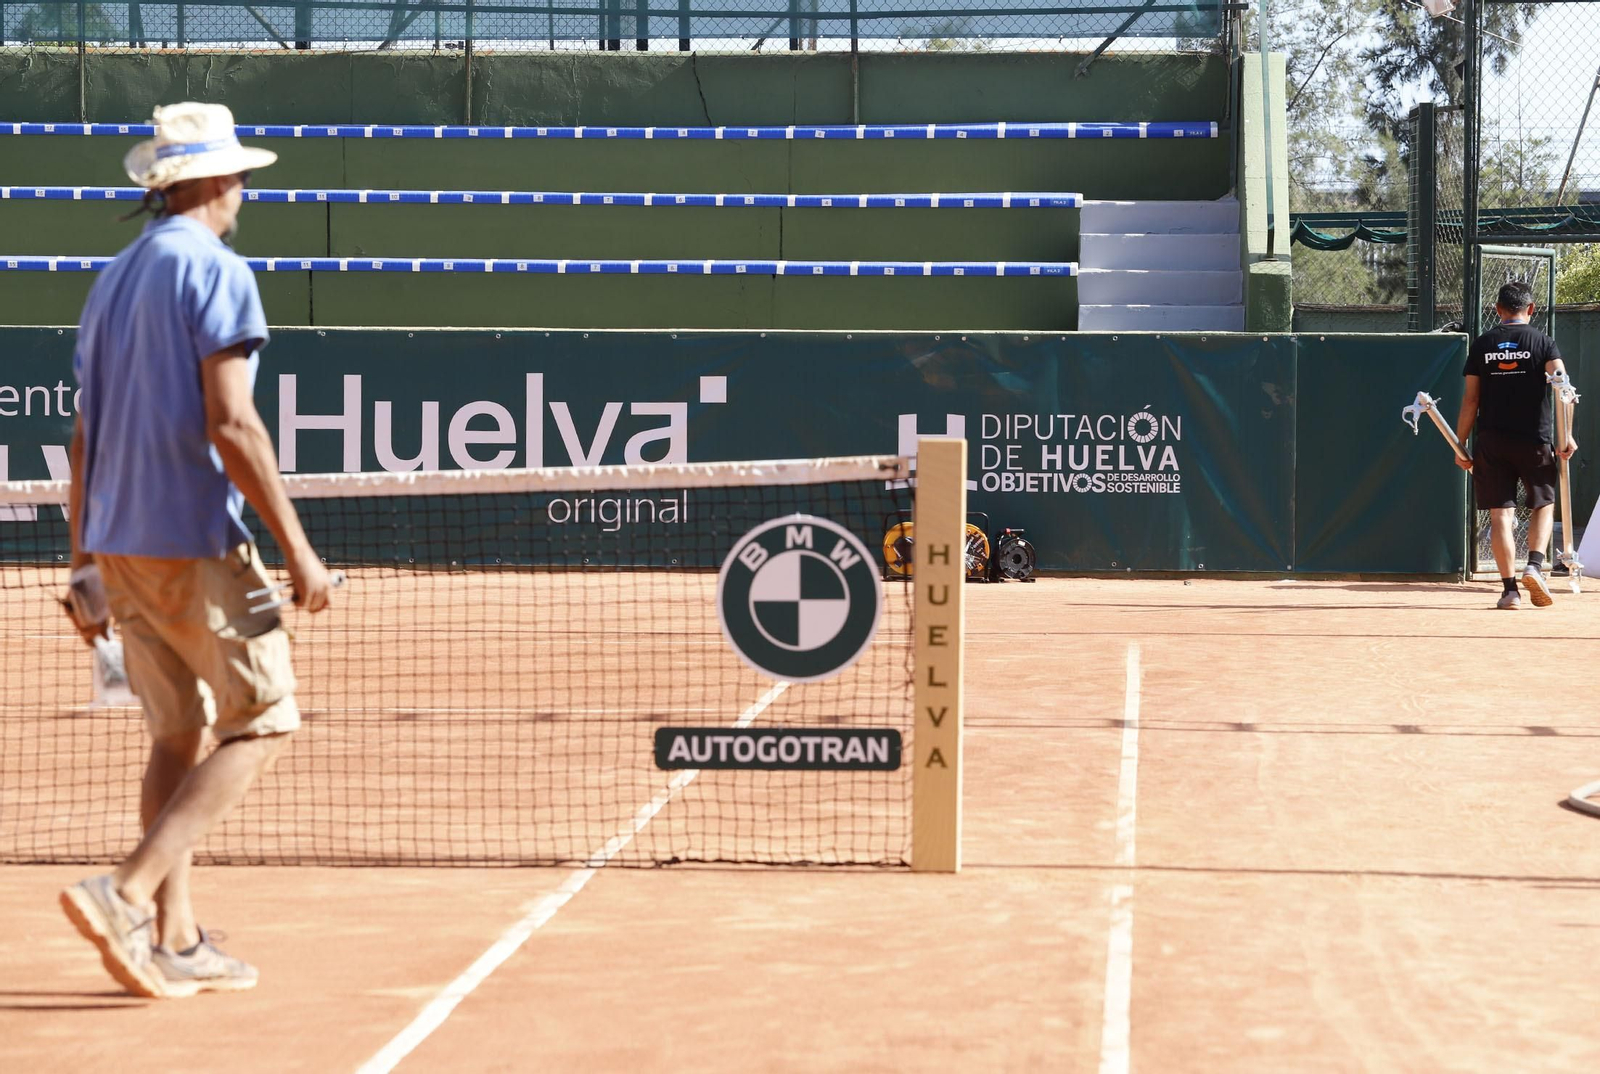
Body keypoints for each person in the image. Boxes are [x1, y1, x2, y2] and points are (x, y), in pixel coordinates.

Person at [58, 102, 334, 999]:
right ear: (217, 181)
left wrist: (82, 563)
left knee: (177, 737)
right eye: (240, 176)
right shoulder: (216, 269)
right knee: (266, 720)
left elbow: (81, 438)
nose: (244, 189)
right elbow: (234, 424)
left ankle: (173, 940)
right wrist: (297, 548)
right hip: (191, 539)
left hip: (120, 547)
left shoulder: (113, 278)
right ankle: (128, 893)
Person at [1454, 280, 1577, 610]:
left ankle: (1510, 591)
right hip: (1535, 440)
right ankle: (1535, 565)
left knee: (1500, 515)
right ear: (1531, 309)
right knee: (1543, 503)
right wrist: (1566, 436)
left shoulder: (1482, 345)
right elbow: (1565, 389)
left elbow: (1470, 400)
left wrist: (1460, 443)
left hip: (1492, 441)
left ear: (1498, 310)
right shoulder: (1544, 342)